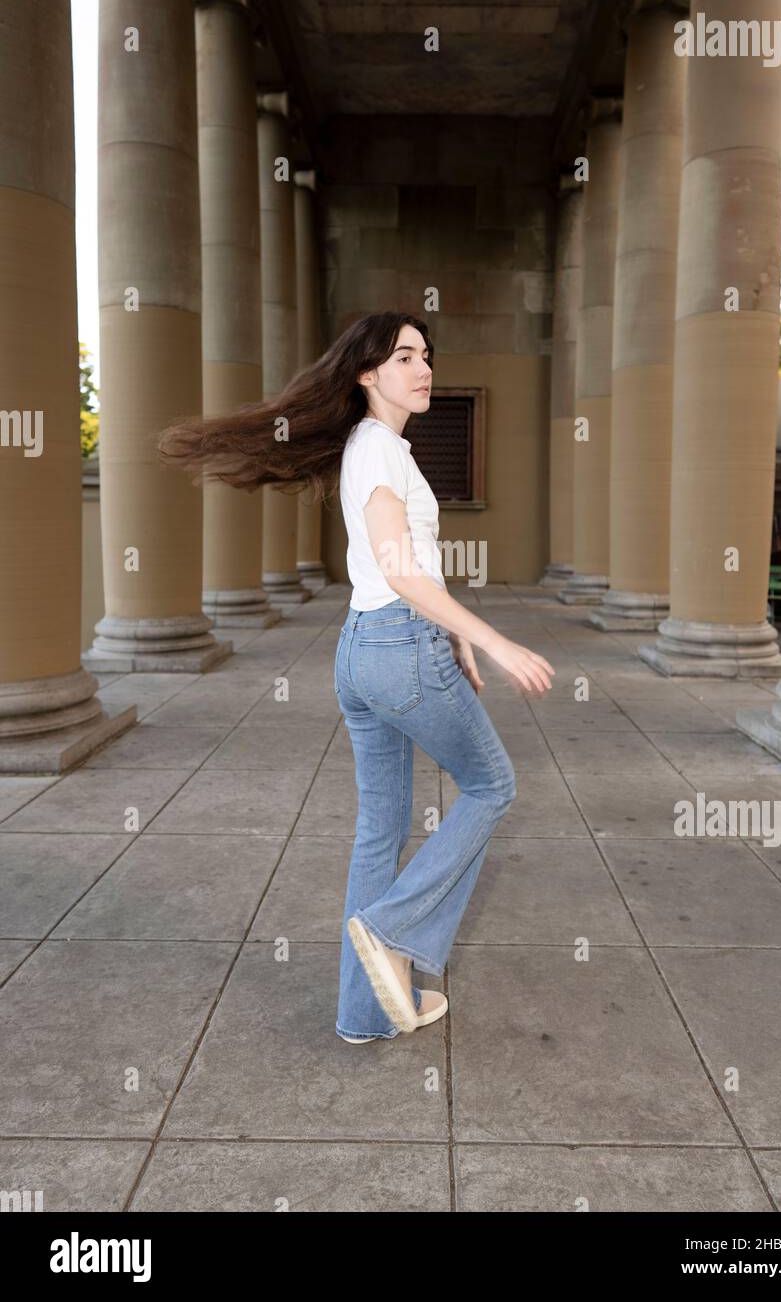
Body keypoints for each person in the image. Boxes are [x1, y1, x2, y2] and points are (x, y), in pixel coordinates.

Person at [159, 311, 555, 1044]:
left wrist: (453, 634)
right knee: (493, 786)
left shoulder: (371, 448)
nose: (423, 367)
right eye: (405, 356)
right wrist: (490, 638)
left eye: (427, 354)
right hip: (400, 651)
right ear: (367, 374)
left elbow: (400, 569)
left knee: (380, 829)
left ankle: (364, 1012)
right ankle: (391, 929)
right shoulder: (381, 451)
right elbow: (400, 567)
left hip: (364, 651)